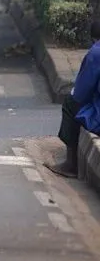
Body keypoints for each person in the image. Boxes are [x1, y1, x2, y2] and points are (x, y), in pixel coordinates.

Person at [46, 20, 100, 178]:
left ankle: (71, 164)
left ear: (93, 39)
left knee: (71, 104)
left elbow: (81, 94)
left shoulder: (96, 53)